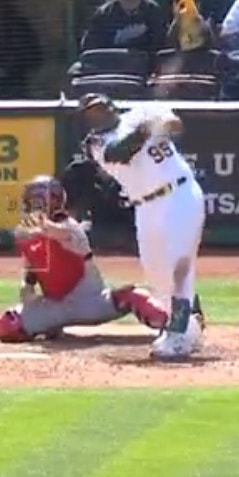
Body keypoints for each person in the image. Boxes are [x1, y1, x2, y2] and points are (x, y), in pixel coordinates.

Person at [78, 93, 205, 361]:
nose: (97, 113)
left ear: (112, 106)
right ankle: (189, 326)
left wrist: (162, 120)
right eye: (91, 112)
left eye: (100, 107)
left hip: (180, 194)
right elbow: (121, 152)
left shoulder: (142, 111)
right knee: (156, 271)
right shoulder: (97, 144)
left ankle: (179, 333)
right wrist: (148, 128)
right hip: (145, 205)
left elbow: (175, 124)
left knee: (179, 264)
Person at [0, 175, 173, 343]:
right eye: (33, 200)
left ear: (57, 201)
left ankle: (174, 325)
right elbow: (31, 272)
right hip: (54, 306)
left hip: (90, 302)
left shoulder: (70, 226)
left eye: (42, 200)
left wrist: (42, 225)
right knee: (5, 326)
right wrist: (28, 293)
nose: (37, 205)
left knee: (136, 297)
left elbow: (58, 233)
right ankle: (51, 326)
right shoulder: (27, 237)